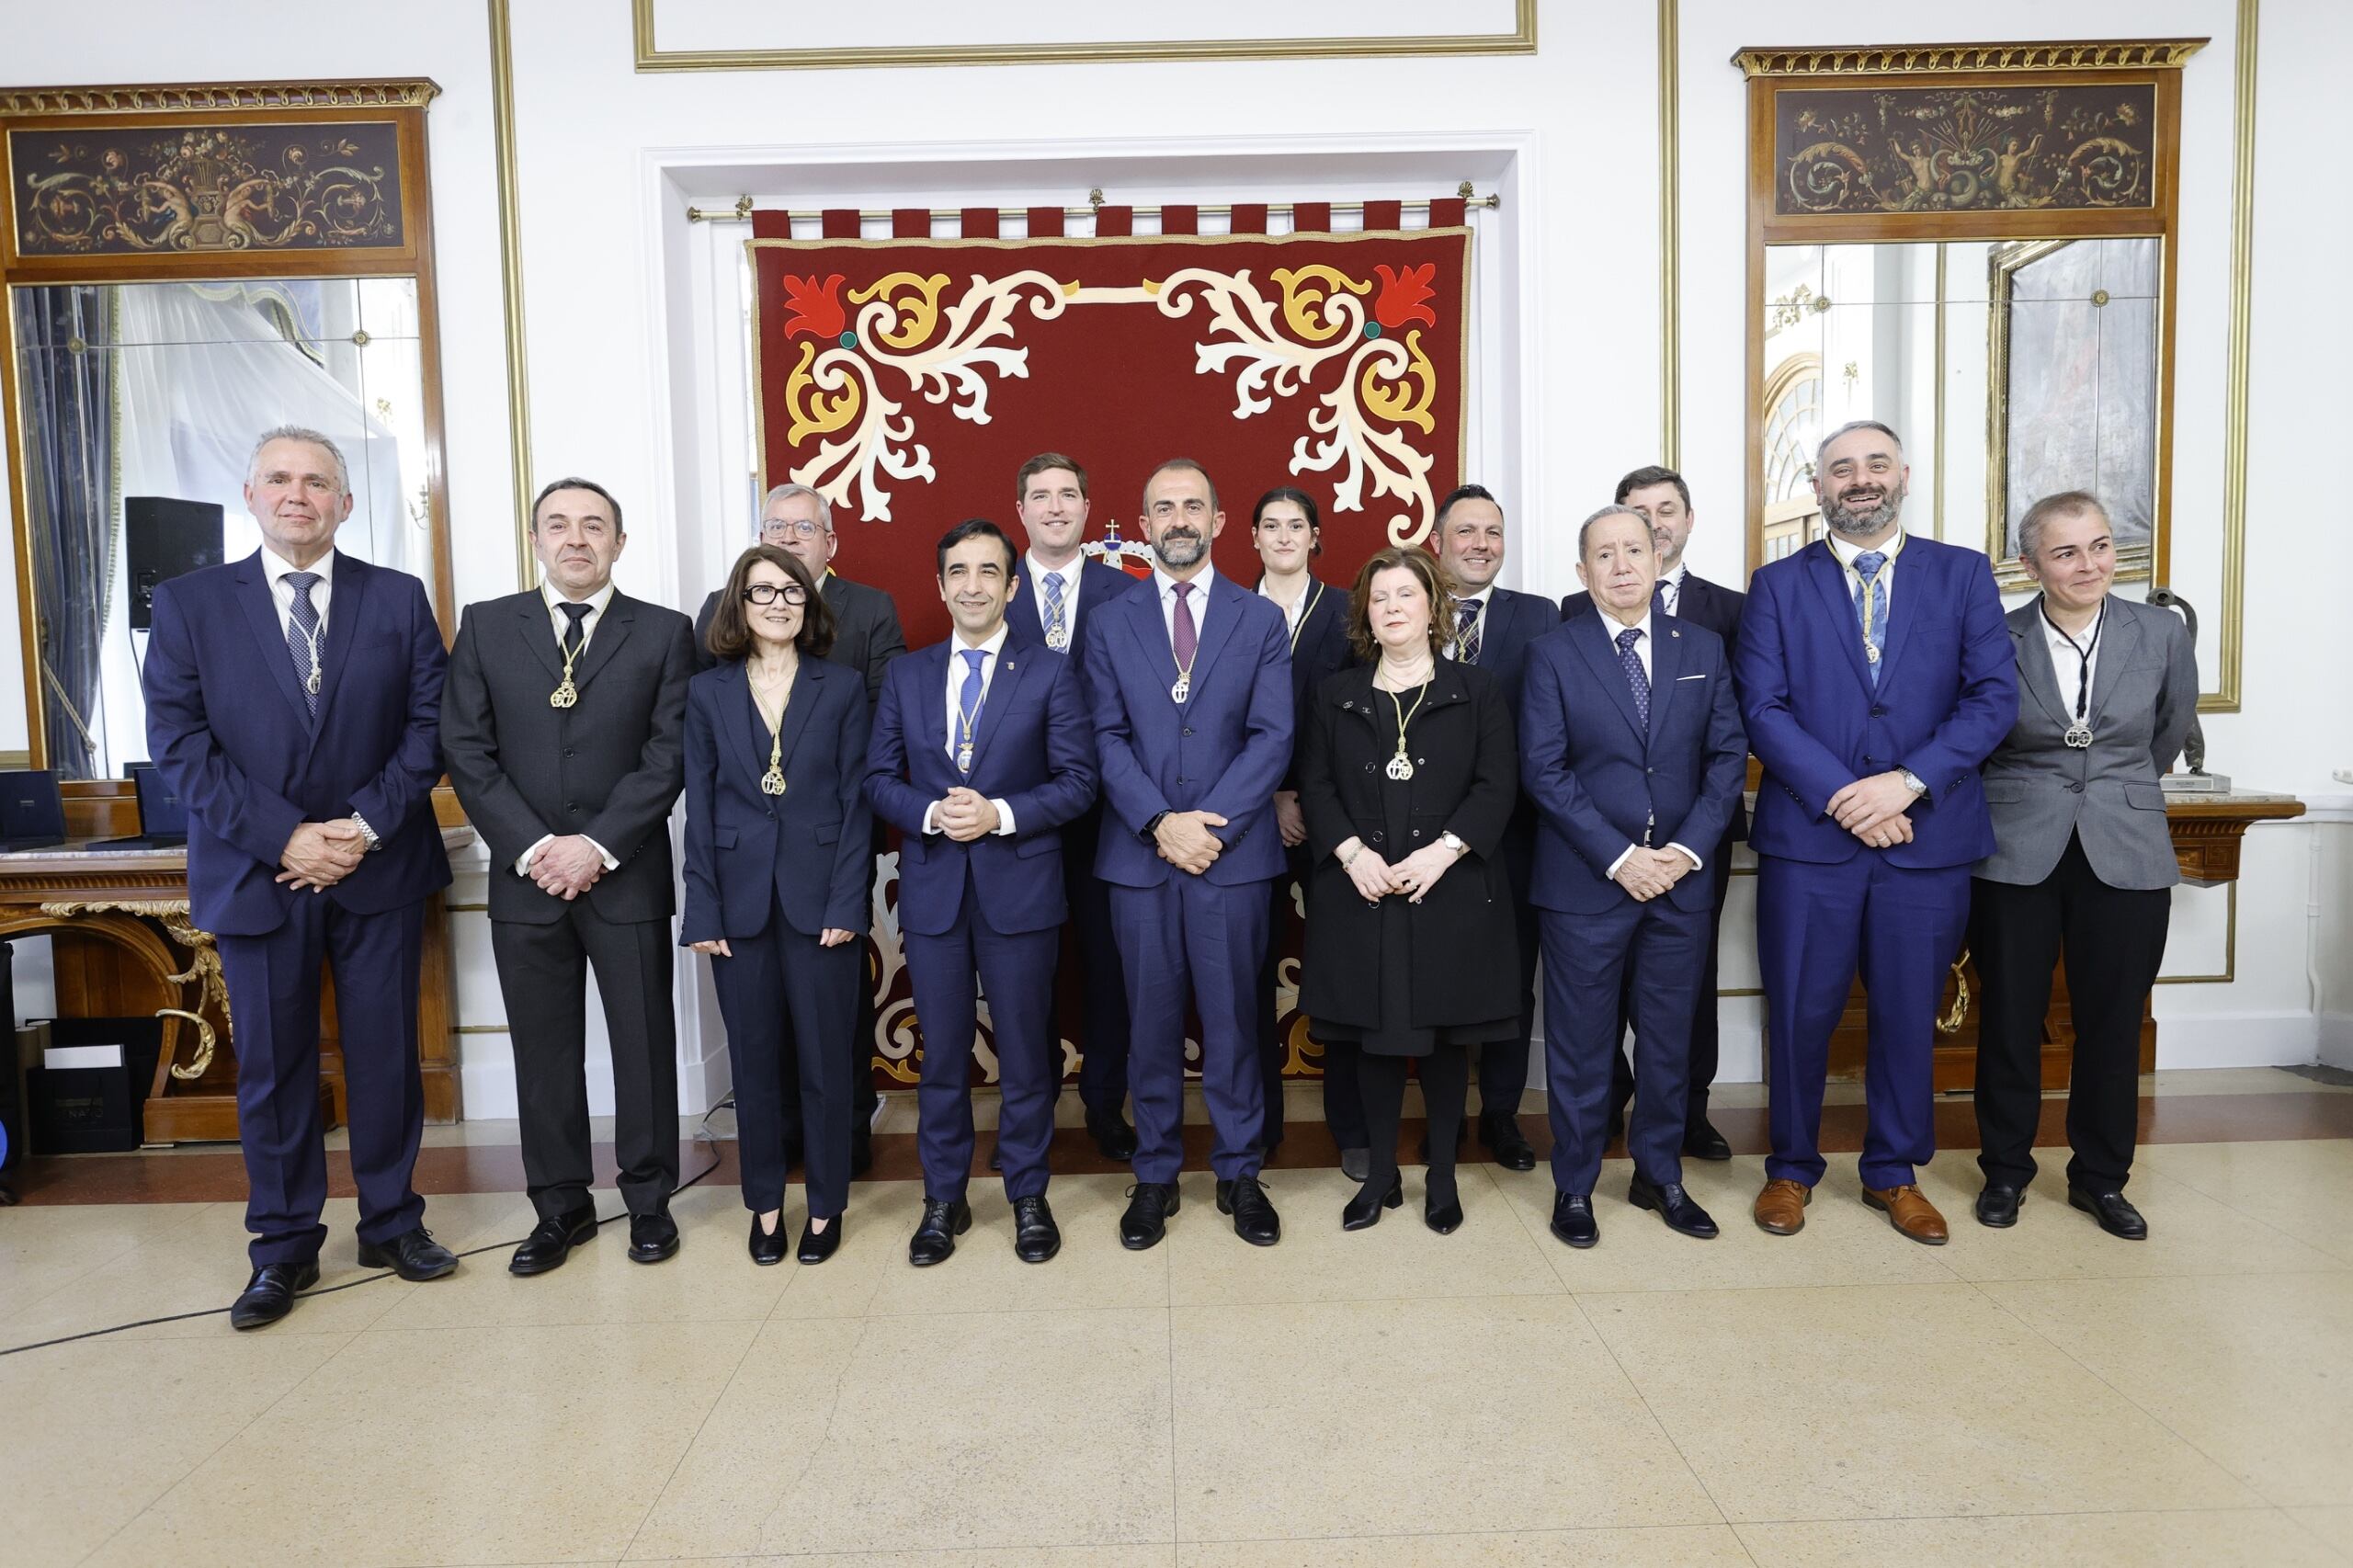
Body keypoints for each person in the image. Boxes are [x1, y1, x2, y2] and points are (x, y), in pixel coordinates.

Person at [143, 426, 455, 1329]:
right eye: (278, 478)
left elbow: (425, 729)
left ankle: (393, 1221)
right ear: (249, 494)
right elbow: (180, 745)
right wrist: (287, 837)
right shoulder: (190, 603)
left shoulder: (397, 600)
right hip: (257, 873)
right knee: (274, 1070)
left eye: (317, 482)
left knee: (386, 1058)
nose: (297, 494)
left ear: (345, 504)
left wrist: (355, 828)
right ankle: (282, 1247)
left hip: (377, 868)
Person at [1735, 420, 2016, 1245]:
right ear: (1819, 488)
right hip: (1810, 842)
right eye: (1841, 469)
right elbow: (1763, 708)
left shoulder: (1963, 575)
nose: (1860, 480)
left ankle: (1894, 1174)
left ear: (1903, 477)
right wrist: (1843, 795)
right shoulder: (1777, 585)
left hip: (1925, 840)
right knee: (1799, 1012)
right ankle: (1791, 1168)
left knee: (1904, 1013)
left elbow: (1992, 699)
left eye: (1876, 465)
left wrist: (1906, 783)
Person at [442, 477, 696, 1273]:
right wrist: (533, 847)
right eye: (559, 525)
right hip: (526, 883)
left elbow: (670, 754)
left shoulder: (663, 633)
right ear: (536, 539)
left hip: (625, 877)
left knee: (644, 1045)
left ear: (620, 542)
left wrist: (596, 846)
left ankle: (650, 1202)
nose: (576, 539)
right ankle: (560, 1209)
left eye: (594, 526)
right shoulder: (486, 627)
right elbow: (466, 750)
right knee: (543, 1055)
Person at [864, 519, 1097, 1265]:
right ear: (941, 585)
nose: (973, 585)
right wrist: (934, 813)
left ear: (1011, 585)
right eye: (958, 571)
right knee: (941, 1060)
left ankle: (1028, 1193)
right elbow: (877, 779)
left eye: (988, 572)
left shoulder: (1051, 672)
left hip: (1021, 891)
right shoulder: (906, 674)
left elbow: (1079, 782)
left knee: (1028, 1053)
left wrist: (999, 814)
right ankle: (944, 1200)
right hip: (933, 893)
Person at [1971, 492, 2197, 1240]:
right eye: (2066, 552)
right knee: (2009, 1017)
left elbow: (2166, 735)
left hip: (2125, 848)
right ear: (2031, 563)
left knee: (2111, 1024)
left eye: (2100, 546)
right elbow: (1977, 737)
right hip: (2015, 848)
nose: (2089, 564)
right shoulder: (1992, 636)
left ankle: (2100, 1179)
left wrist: (2113, 793)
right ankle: (2005, 1172)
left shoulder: (2161, 633)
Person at [1524, 506, 1746, 1248]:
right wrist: (1621, 858)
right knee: (1582, 1047)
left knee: (1667, 1043)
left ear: (1660, 558)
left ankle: (1659, 1174)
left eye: (1634, 550)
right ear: (1581, 571)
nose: (1621, 565)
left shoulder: (1704, 647)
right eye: (1603, 555)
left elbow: (1725, 761)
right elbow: (1544, 772)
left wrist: (1683, 853)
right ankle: (1576, 1186)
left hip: (1680, 883)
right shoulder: (1554, 653)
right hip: (1587, 885)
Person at [1085, 458, 1292, 1249]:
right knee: (1151, 1023)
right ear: (1142, 527)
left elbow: (1273, 737)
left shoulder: (1259, 620)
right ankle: (1156, 1175)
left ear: (1218, 520)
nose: (1178, 519)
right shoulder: (1111, 621)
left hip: (1232, 858)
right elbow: (1102, 737)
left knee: (1237, 1020)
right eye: (1162, 507)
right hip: (1139, 859)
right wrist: (1157, 822)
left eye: (1192, 506)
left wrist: (1208, 827)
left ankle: (1240, 1172)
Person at [1297, 548, 1518, 1233]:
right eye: (1379, 597)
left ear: (1433, 607)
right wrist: (1350, 853)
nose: (1393, 607)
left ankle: (1446, 1178)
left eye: (1406, 595)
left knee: (1447, 1044)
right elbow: (1317, 785)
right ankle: (1382, 1179)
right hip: (1360, 891)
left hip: (1449, 890)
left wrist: (1442, 853)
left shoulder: (1477, 688)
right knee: (1375, 1039)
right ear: (1365, 612)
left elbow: (1496, 785)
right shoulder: (1336, 694)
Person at [694, 483, 904, 1175]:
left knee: (830, 1030)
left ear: (830, 544)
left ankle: (838, 1155)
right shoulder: (716, 631)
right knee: (759, 1038)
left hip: (829, 852)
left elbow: (880, 743)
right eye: (774, 527)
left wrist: (849, 876)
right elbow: (707, 762)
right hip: (744, 868)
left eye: (803, 529)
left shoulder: (867, 614)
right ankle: (773, 1162)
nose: (788, 539)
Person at [682, 546, 873, 1265]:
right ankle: (765, 1206)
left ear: (808, 602)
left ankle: (825, 1207)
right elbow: (698, 807)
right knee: (755, 1069)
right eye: (761, 591)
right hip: (736, 907)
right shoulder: (708, 693)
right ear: (738, 605)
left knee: (827, 1066)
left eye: (790, 590)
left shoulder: (844, 686)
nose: (777, 603)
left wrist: (848, 902)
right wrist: (701, 911)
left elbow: (858, 804)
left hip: (823, 900)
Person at [1005, 453, 1143, 1160]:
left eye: (1068, 494)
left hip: (1109, 818)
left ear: (1089, 509)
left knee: (1108, 967)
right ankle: (1028, 1116)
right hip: (1017, 817)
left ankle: (1104, 1104)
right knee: (1021, 974)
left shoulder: (1128, 594)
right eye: (1040, 495)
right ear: (1021, 509)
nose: (1055, 506)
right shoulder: (990, 590)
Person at [1429, 483, 1551, 1171]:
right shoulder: (1404, 605)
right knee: (1432, 975)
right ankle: (1442, 1116)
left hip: (1518, 836)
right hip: (1418, 836)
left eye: (1494, 533)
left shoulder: (1540, 617)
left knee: (1511, 979)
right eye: (1467, 531)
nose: (1481, 544)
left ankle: (1501, 1114)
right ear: (1437, 541)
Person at [1250, 486, 1355, 1166]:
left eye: (1297, 526)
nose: (1285, 536)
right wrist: (1270, 799)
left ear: (1315, 536)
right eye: (1271, 525)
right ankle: (1258, 1125)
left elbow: (1359, 722)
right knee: (1247, 974)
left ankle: (1351, 1125)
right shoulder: (1225, 611)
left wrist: (1303, 798)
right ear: (1253, 536)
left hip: (1332, 818)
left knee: (1341, 970)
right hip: (1249, 817)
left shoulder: (1348, 610)